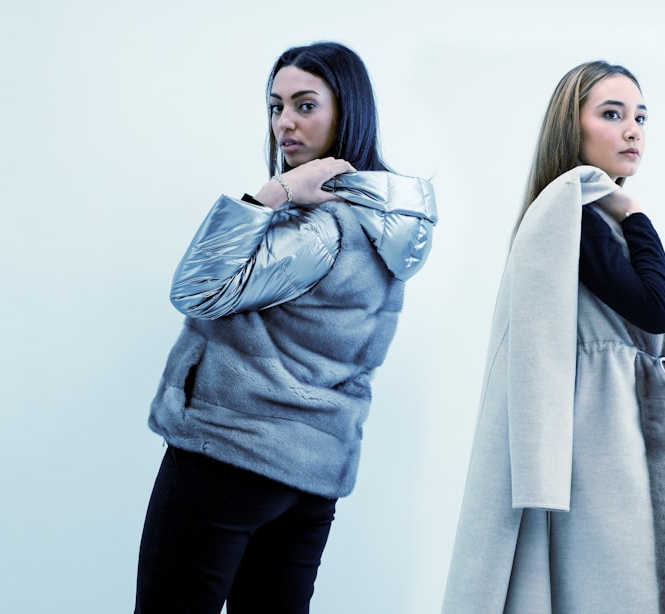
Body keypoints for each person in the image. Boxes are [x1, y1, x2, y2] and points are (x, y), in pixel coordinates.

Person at [134, 41, 437, 613]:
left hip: (229, 453)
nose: (285, 124)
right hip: (311, 473)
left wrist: (269, 196)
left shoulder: (319, 228)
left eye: (305, 105)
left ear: (347, 112)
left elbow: (196, 291)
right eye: (276, 107)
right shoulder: (385, 224)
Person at [441, 61, 665, 613]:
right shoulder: (576, 212)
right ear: (573, 128)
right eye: (612, 114)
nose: (633, 129)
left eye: (640, 116)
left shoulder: (588, 215)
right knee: (613, 585)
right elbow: (656, 311)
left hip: (606, 429)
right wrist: (635, 211)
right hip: (598, 439)